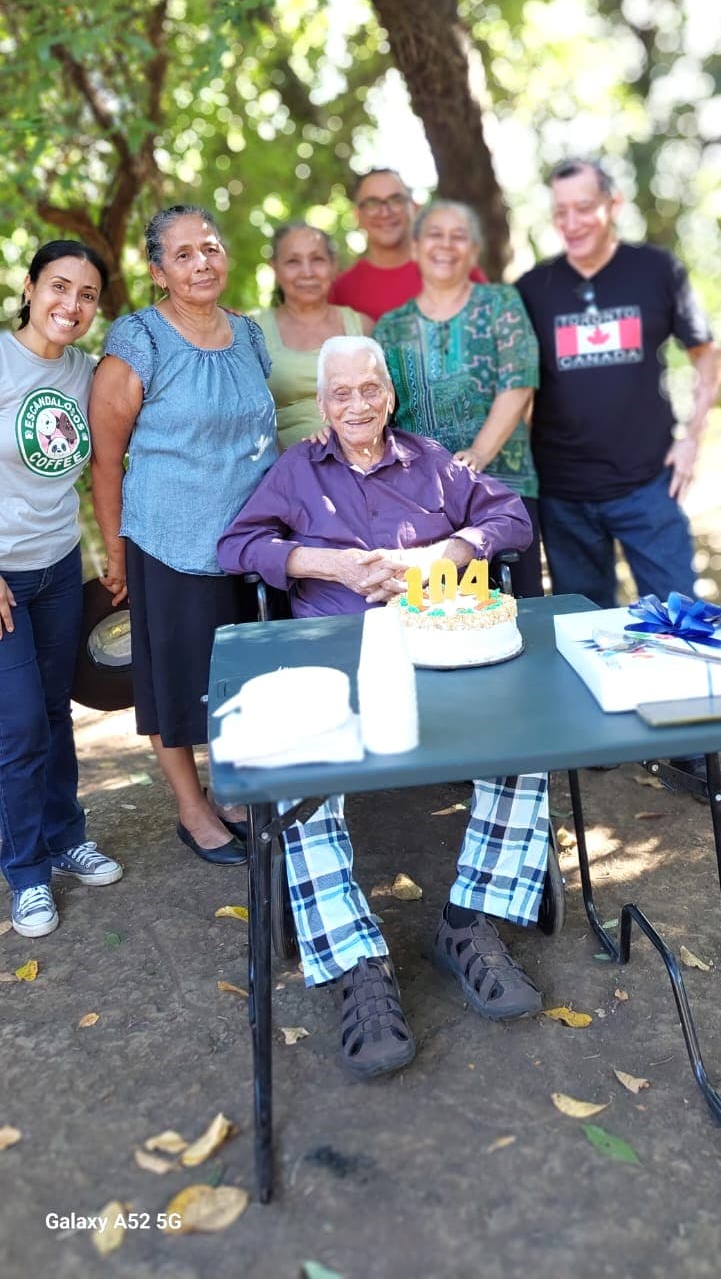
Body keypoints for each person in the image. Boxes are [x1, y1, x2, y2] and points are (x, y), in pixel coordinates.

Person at [218, 337, 547, 1079]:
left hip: (435, 640)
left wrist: (445, 553)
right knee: (295, 766)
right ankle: (356, 962)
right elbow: (236, 545)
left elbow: (511, 521)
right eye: (341, 394)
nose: (357, 405)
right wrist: (321, 561)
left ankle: (469, 922)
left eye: (370, 389)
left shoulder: (433, 461)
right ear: (322, 403)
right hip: (328, 654)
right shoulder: (296, 469)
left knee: (523, 748)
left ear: (389, 395)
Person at [89, 204, 278, 865]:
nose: (202, 263)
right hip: (168, 540)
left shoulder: (250, 335)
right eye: (184, 254)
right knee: (173, 681)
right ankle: (191, 809)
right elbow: (106, 457)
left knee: (240, 680)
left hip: (249, 545)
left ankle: (229, 793)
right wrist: (114, 548)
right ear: (158, 271)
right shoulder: (138, 338)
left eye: (210, 248)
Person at [516, 158, 721, 608]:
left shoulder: (657, 270)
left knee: (682, 620)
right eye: (560, 211)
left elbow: (706, 356)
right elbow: (516, 387)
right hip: (563, 495)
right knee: (584, 632)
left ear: (614, 203)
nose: (571, 223)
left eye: (584, 207)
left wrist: (692, 440)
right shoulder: (532, 288)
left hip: (649, 486)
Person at [0, 240, 123, 939]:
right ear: (30, 287)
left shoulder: (86, 372)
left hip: (57, 566)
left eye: (85, 295)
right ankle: (25, 872)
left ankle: (64, 835)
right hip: (4, 577)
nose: (70, 305)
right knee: (16, 727)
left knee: (53, 713)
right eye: (58, 287)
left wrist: (112, 547)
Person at [375, 200, 542, 597]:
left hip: (503, 488)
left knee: (518, 614)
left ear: (473, 251)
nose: (445, 246)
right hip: (422, 501)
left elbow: (518, 382)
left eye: (458, 236)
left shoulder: (501, 304)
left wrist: (480, 454)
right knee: (437, 618)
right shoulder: (390, 327)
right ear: (415, 248)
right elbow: (383, 410)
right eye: (434, 234)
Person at [255, 222, 371, 450]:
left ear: (333, 265)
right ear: (275, 268)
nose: (307, 272)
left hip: (361, 468)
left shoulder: (364, 327)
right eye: (293, 261)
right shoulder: (251, 331)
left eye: (317, 259)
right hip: (286, 471)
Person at [329, 167, 486, 321]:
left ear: (415, 208)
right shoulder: (341, 290)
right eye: (372, 203)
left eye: (396, 200)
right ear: (358, 216)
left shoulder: (454, 268)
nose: (385, 212)